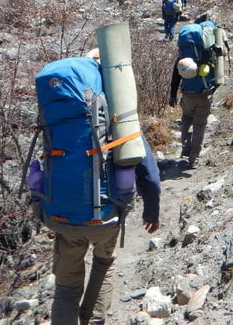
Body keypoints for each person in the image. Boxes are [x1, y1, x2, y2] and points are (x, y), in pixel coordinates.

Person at [48, 136, 161, 324]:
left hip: (66, 216)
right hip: (106, 215)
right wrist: (151, 212)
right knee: (103, 263)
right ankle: (93, 320)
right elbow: (150, 175)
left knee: (66, 287)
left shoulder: (64, 116)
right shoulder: (120, 118)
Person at [168, 55, 216, 169]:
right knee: (199, 125)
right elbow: (216, 75)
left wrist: (173, 95)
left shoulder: (182, 58)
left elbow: (176, 77)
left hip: (187, 95)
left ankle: (186, 148)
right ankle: (193, 158)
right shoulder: (206, 54)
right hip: (204, 95)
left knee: (186, 119)